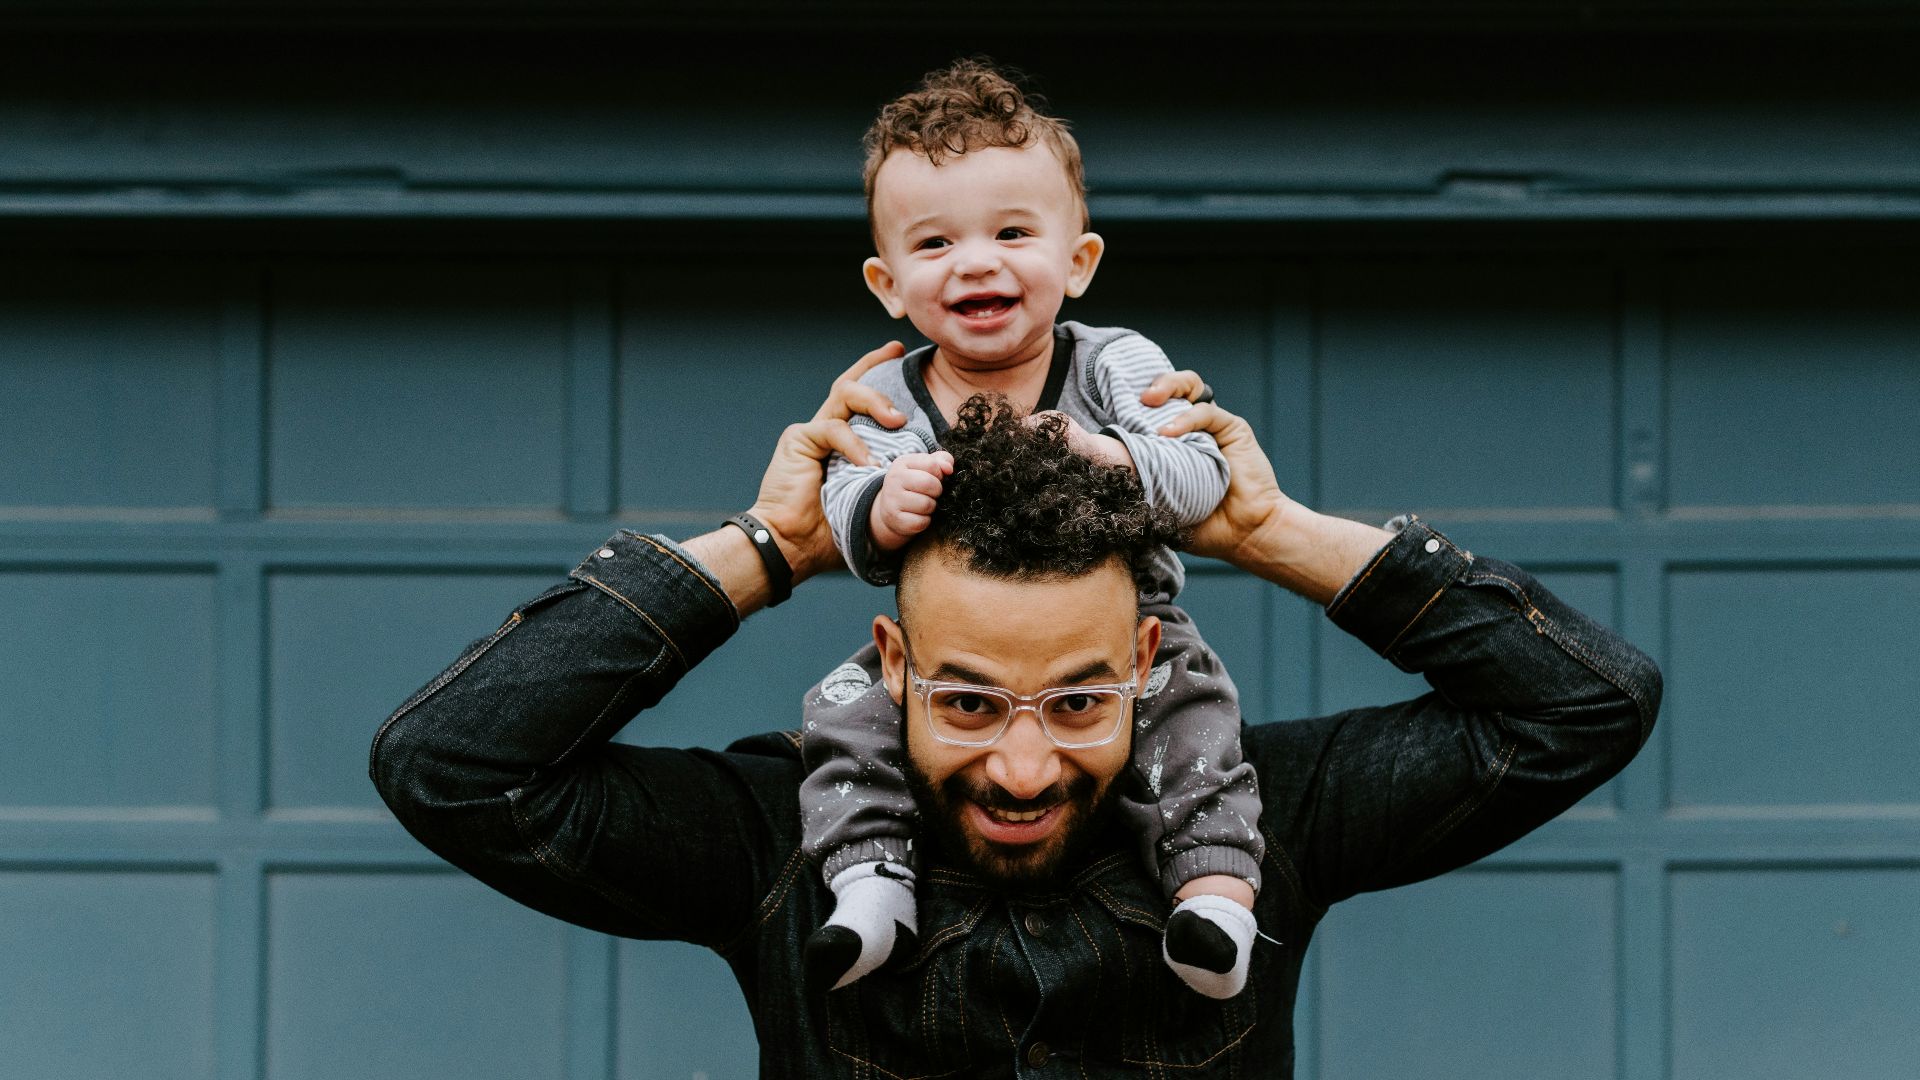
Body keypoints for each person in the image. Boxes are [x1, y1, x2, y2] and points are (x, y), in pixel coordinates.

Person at [370, 350, 1661, 1078]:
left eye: (1081, 699)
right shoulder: (782, 844)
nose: (1026, 764)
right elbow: (453, 764)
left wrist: (1272, 534)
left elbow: (1584, 704)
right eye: (972, 702)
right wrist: (772, 546)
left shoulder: (1259, 822)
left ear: (1149, 655)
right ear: (892, 664)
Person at [801, 58, 1263, 999]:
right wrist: (878, 507)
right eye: (935, 245)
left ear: (1078, 262)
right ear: (889, 285)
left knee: (1196, 718)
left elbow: (1200, 473)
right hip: (949, 649)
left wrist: (1110, 456)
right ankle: (869, 883)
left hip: (1132, 625)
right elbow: (844, 510)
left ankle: (1213, 897)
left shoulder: (1113, 365)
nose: (976, 261)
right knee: (843, 714)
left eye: (1013, 232)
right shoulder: (887, 393)